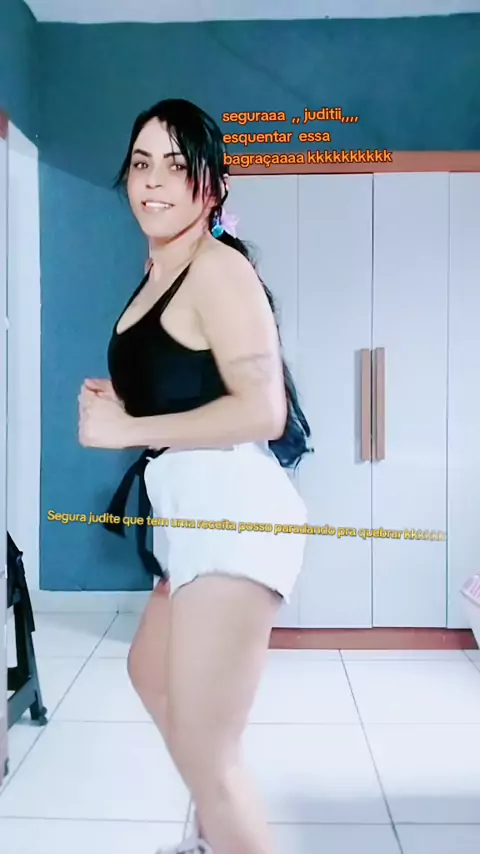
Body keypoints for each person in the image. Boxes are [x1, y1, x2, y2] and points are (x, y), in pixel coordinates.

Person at [78, 99, 312, 854]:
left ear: (212, 186)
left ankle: (222, 831)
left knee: (213, 758)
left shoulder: (218, 270)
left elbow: (264, 410)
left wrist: (127, 430)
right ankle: (215, 838)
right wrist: (131, 404)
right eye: (141, 164)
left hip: (235, 514)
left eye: (176, 167)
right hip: (193, 516)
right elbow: (192, 384)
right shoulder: (161, 270)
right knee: (152, 674)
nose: (153, 182)